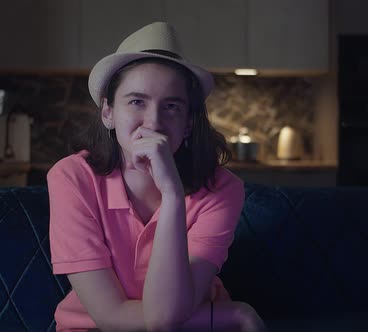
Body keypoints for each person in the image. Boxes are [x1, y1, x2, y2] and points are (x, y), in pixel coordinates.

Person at [47, 22, 266, 332]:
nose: (153, 122)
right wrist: (233, 314)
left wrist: (173, 194)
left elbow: (168, 316)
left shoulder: (223, 188)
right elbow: (111, 316)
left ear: (189, 123)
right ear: (108, 113)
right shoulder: (71, 177)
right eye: (137, 102)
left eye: (172, 106)